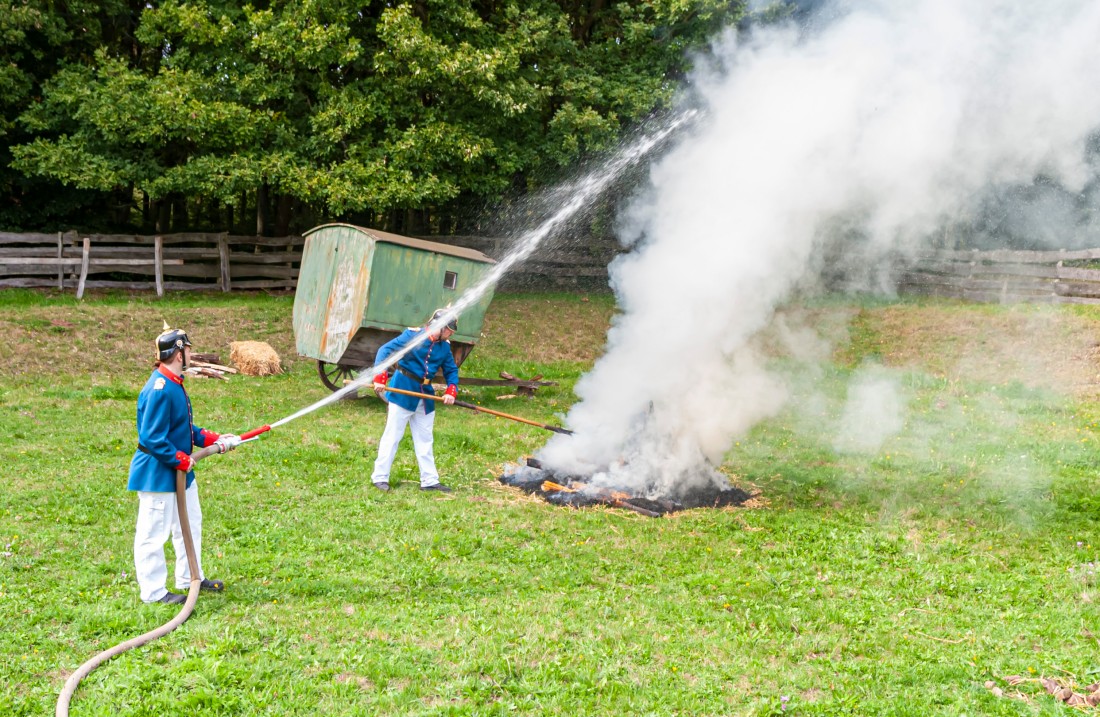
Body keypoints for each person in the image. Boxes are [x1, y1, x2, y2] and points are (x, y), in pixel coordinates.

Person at [128, 325, 241, 605]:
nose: (191, 354)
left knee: (189, 525)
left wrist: (216, 439)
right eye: (188, 349)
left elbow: (183, 428)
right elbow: (152, 438)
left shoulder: (174, 384)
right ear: (179, 354)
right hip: (158, 474)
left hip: (181, 474)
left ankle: (190, 577)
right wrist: (182, 459)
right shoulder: (159, 389)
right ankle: (153, 593)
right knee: (153, 534)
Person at [370, 309, 460, 493]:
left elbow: (451, 370)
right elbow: (384, 350)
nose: (451, 333)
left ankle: (429, 481)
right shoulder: (413, 335)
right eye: (449, 330)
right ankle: (379, 477)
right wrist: (380, 375)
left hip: (425, 396)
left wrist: (451, 390)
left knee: (425, 439)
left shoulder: (444, 347)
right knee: (392, 436)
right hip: (402, 391)